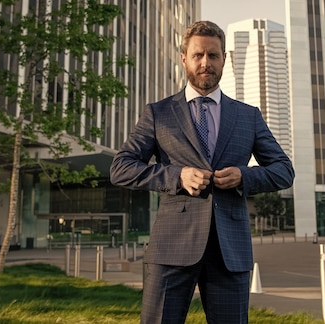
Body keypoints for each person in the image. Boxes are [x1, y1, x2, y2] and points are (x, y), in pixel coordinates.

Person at [110, 20, 294, 324]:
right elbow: (121, 167)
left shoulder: (248, 117)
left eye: (213, 55)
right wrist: (175, 176)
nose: (205, 63)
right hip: (171, 247)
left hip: (229, 252)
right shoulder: (158, 113)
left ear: (224, 59)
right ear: (184, 58)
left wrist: (244, 176)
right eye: (198, 55)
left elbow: (284, 171)